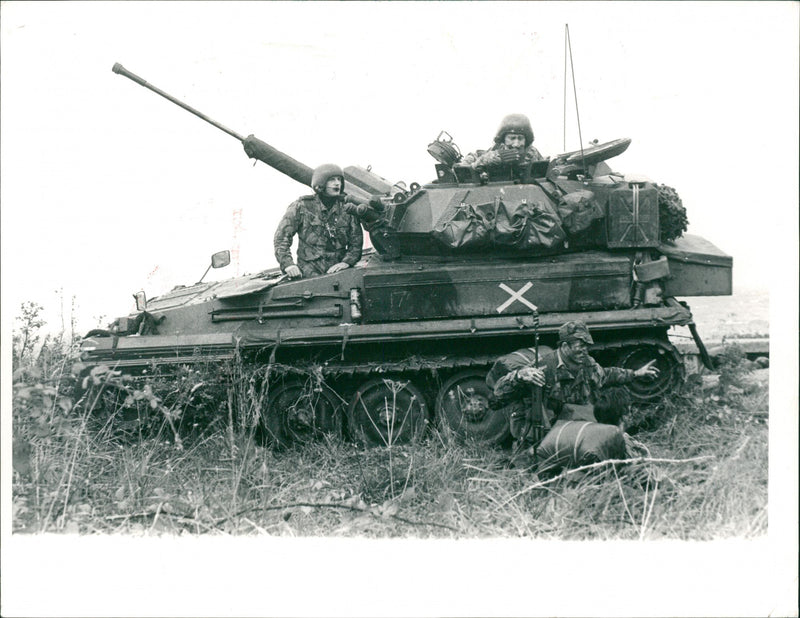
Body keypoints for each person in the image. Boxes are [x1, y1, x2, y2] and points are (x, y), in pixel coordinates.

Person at [485, 320, 659, 463]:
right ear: (565, 346)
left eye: (586, 346)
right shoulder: (543, 368)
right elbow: (496, 399)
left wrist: (635, 374)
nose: (585, 350)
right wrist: (519, 376)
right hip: (539, 432)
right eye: (580, 346)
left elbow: (605, 375)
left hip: (569, 427)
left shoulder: (586, 364)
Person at [274, 163, 363, 279]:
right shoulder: (301, 206)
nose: (337, 183)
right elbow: (281, 238)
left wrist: (346, 262)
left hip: (339, 273)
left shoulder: (347, 208)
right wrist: (288, 265)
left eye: (339, 179)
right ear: (320, 183)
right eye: (332, 180)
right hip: (308, 273)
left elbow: (356, 242)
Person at [461, 113, 545, 171]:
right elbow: (461, 169)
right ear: (503, 140)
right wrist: (483, 161)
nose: (516, 144)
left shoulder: (533, 153)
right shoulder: (493, 152)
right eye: (512, 138)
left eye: (520, 138)